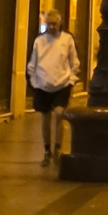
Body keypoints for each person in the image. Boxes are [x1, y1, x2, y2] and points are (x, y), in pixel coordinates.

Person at [27, 10, 80, 166]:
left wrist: (70, 80)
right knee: (45, 118)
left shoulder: (67, 39)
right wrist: (35, 82)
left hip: (62, 84)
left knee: (59, 113)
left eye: (55, 24)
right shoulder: (39, 41)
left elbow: (74, 62)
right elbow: (33, 63)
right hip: (43, 84)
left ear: (60, 23)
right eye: (49, 24)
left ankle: (58, 148)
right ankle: (46, 150)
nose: (52, 27)